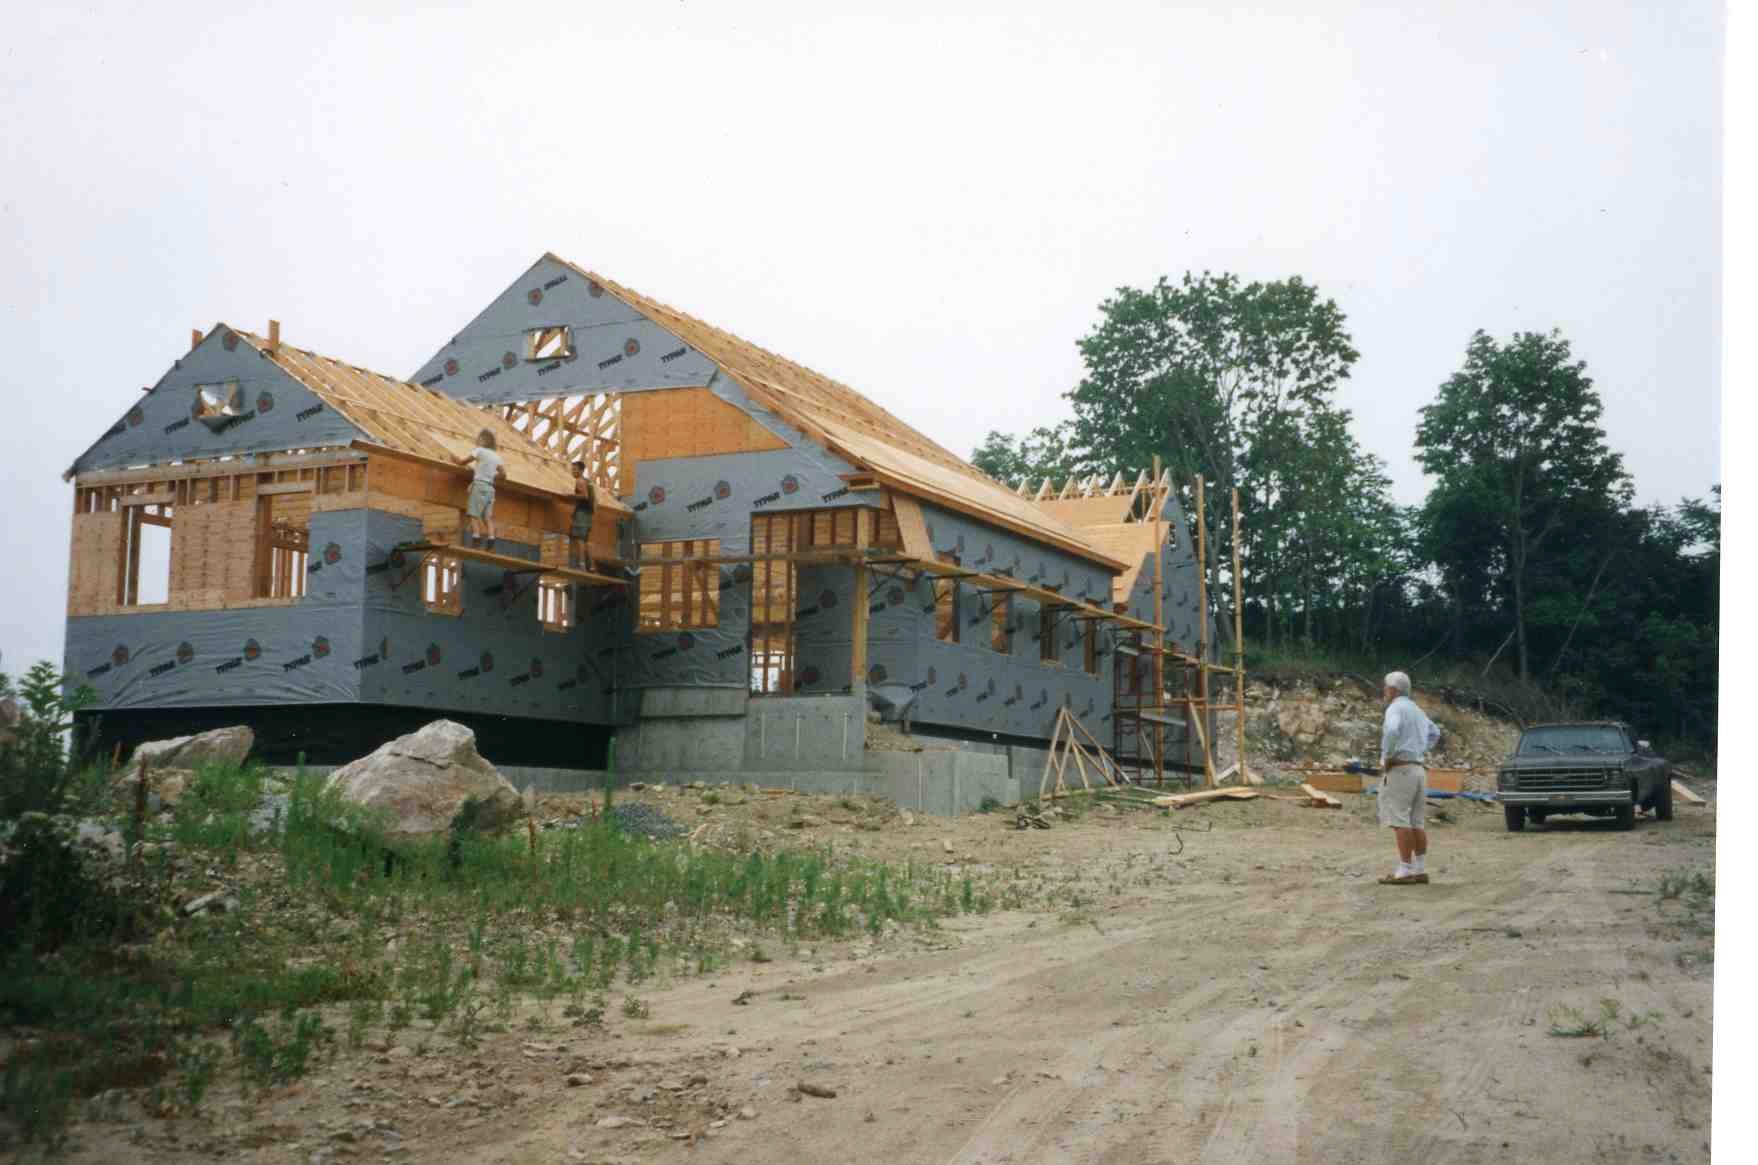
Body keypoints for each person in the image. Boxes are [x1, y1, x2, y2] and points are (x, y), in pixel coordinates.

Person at [1378, 670, 1442, 885]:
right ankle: (1420, 869)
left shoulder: (1395, 708)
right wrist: (1419, 750)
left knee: (1399, 820)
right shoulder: (1417, 710)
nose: (1384, 690)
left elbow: (1392, 731)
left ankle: (1405, 869)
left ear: (1393, 689)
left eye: (1386, 687)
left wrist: (1387, 756)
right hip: (1418, 769)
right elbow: (1435, 733)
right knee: (1417, 821)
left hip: (1400, 769)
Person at [456, 429, 505, 549]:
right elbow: (503, 475)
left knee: (473, 514)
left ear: (483, 440)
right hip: (490, 489)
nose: (477, 440)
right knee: (487, 517)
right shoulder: (496, 457)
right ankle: (491, 540)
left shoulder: (479, 451)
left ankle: (476, 537)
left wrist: (454, 459)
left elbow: (463, 462)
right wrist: (491, 476)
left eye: (478, 438)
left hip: (479, 486)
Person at [570, 461, 596, 571]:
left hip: (581, 513)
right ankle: (592, 566)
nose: (573, 471)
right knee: (587, 541)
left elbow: (584, 496)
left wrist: (571, 495)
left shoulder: (579, 481)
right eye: (572, 469)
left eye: (575, 469)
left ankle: (581, 565)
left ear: (581, 470)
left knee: (580, 540)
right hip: (588, 514)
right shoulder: (588, 482)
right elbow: (594, 500)